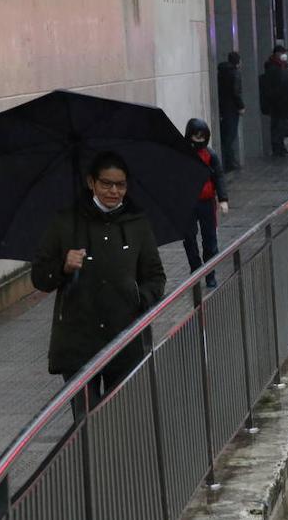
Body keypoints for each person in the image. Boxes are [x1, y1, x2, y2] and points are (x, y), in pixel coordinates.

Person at [31, 151, 166, 411]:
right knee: (86, 422)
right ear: (91, 182)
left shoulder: (137, 223)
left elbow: (156, 277)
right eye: (106, 183)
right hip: (77, 342)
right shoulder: (65, 223)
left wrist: (139, 296)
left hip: (124, 339)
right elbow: (40, 277)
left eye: (121, 185)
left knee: (117, 419)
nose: (113, 191)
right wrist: (64, 266)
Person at [182, 119, 228, 289]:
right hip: (188, 202)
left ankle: (210, 274)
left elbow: (219, 177)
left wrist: (223, 199)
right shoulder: (184, 154)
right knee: (189, 238)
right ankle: (195, 269)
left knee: (210, 239)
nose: (199, 140)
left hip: (207, 202)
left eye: (202, 136)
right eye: (196, 136)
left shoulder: (210, 155)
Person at [259, 44, 288, 156]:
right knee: (277, 124)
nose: (284, 55)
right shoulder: (271, 65)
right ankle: (277, 148)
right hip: (276, 100)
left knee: (282, 125)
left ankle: (282, 146)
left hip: (283, 99)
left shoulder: (282, 65)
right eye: (282, 53)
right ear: (277, 53)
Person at [216, 51, 244, 170]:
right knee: (230, 136)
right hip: (232, 108)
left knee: (224, 135)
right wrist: (241, 106)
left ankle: (227, 161)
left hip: (222, 108)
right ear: (238, 62)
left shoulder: (220, 72)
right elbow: (236, 92)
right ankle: (229, 163)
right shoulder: (235, 73)